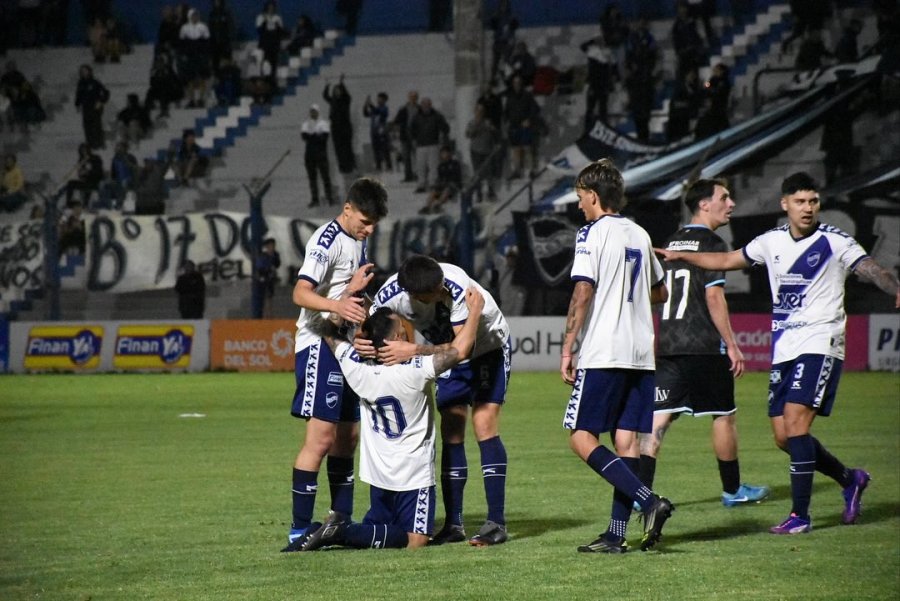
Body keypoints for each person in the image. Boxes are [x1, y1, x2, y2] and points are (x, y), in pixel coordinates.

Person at [655, 172, 900, 535]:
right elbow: (726, 262)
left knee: (796, 424)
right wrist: (680, 255)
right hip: (784, 348)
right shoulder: (770, 242)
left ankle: (800, 516)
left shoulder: (835, 241)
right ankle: (850, 479)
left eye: (813, 201)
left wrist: (894, 286)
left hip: (820, 343)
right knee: (784, 436)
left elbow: (871, 269)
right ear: (785, 204)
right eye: (800, 201)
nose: (808, 208)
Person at [297, 287, 485, 551]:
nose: (408, 330)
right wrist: (475, 311)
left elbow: (326, 330)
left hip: (379, 475)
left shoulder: (356, 367)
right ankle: (341, 531)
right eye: (403, 328)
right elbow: (461, 350)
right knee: (415, 540)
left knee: (381, 531)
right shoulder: (415, 371)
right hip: (413, 474)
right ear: (397, 337)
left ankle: (340, 529)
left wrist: (343, 304)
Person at [560, 159, 674, 553]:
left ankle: (649, 501)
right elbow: (661, 293)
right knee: (626, 442)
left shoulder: (591, 233)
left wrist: (568, 345)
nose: (579, 206)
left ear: (593, 196)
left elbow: (583, 291)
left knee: (580, 437)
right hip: (640, 352)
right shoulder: (640, 234)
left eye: (580, 198)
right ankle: (615, 535)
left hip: (604, 349)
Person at [637, 179, 770, 509]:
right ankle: (733, 490)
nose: (731, 203)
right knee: (723, 415)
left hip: (669, 344)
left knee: (657, 421)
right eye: (724, 197)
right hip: (704, 345)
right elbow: (713, 297)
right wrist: (733, 345)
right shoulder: (713, 242)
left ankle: (640, 494)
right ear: (704, 205)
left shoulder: (670, 241)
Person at [364, 254, 512, 547]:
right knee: (452, 430)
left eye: (441, 285)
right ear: (415, 296)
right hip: (443, 353)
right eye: (435, 292)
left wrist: (413, 350)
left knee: (484, 423)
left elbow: (462, 349)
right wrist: (363, 340)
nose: (443, 292)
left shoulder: (456, 285)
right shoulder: (391, 296)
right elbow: (371, 329)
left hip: (487, 348)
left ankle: (497, 522)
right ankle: (454, 524)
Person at [282, 177, 389, 553]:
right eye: (365, 220)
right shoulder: (324, 241)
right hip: (317, 344)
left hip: (344, 345)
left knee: (349, 438)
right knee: (322, 438)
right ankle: (298, 529)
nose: (370, 228)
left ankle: (339, 521)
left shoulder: (357, 239)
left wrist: (357, 296)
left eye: (374, 222)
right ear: (347, 209)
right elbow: (300, 292)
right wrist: (339, 305)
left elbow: (344, 292)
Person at [410, 97, 449, 193]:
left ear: (431, 105)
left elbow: (446, 128)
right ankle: (421, 185)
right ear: (421, 105)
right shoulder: (416, 116)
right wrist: (413, 140)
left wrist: (443, 134)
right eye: (424, 105)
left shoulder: (437, 115)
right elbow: (411, 129)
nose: (426, 107)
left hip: (433, 144)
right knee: (420, 166)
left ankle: (433, 184)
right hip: (420, 145)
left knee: (433, 166)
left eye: (428, 104)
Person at [301, 104, 334, 207]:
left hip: (321, 154)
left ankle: (329, 198)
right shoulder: (306, 124)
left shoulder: (323, 123)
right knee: (312, 178)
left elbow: (324, 138)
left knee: (325, 177)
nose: (313, 113)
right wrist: (315, 136)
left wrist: (312, 136)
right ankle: (315, 199)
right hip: (310, 154)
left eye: (314, 111)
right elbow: (304, 136)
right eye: (311, 111)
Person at [322, 75, 356, 175]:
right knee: (338, 148)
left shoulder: (346, 100)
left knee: (347, 147)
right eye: (335, 90)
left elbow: (347, 95)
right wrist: (327, 85)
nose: (337, 92)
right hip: (336, 128)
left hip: (345, 127)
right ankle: (343, 167)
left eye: (338, 90)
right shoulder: (333, 101)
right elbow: (325, 96)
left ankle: (350, 166)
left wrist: (342, 83)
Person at [74, 64, 109, 149]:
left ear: (89, 72)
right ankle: (90, 144)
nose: (83, 72)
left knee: (96, 125)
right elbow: (79, 95)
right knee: (87, 126)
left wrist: (101, 101)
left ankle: (100, 143)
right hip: (86, 107)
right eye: (82, 71)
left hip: (95, 107)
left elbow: (106, 92)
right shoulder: (80, 83)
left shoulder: (95, 82)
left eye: (85, 70)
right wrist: (77, 104)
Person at [420, 146, 461, 214]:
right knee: (434, 191)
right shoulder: (441, 166)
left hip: (452, 185)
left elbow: (457, 177)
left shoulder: (455, 164)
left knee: (447, 189)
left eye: (445, 153)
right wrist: (438, 184)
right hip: (443, 185)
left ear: (450, 153)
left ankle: (438, 205)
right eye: (442, 153)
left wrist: (450, 183)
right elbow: (439, 178)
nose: (444, 155)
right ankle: (427, 206)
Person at [393, 91, 420, 182]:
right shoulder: (403, 109)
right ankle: (408, 176)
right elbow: (396, 121)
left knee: (418, 157)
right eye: (411, 97)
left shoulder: (420, 109)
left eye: (414, 97)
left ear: (417, 98)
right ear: (408, 98)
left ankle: (418, 175)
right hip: (405, 136)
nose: (413, 98)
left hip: (417, 136)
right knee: (406, 157)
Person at [256, 1, 285, 84]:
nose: (271, 9)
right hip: (264, 45)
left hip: (274, 45)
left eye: (273, 7)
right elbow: (259, 30)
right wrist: (266, 22)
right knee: (265, 64)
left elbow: (280, 31)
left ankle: (272, 82)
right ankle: (264, 81)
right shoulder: (261, 17)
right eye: (269, 7)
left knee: (273, 64)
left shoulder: (277, 18)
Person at [363, 92, 391, 172]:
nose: (378, 100)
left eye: (380, 99)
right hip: (374, 132)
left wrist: (371, 104)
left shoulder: (384, 108)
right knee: (376, 149)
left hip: (382, 132)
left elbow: (378, 111)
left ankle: (389, 166)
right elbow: (366, 114)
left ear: (384, 100)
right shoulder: (375, 109)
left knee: (385, 149)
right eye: (378, 98)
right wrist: (365, 105)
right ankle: (378, 166)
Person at [254, 237, 281, 318]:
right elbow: (260, 268)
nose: (271, 248)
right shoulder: (263, 256)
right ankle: (265, 314)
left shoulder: (275, 255)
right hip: (264, 279)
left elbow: (277, 264)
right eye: (270, 246)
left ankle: (269, 314)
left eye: (272, 246)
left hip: (270, 279)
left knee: (269, 297)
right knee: (265, 297)